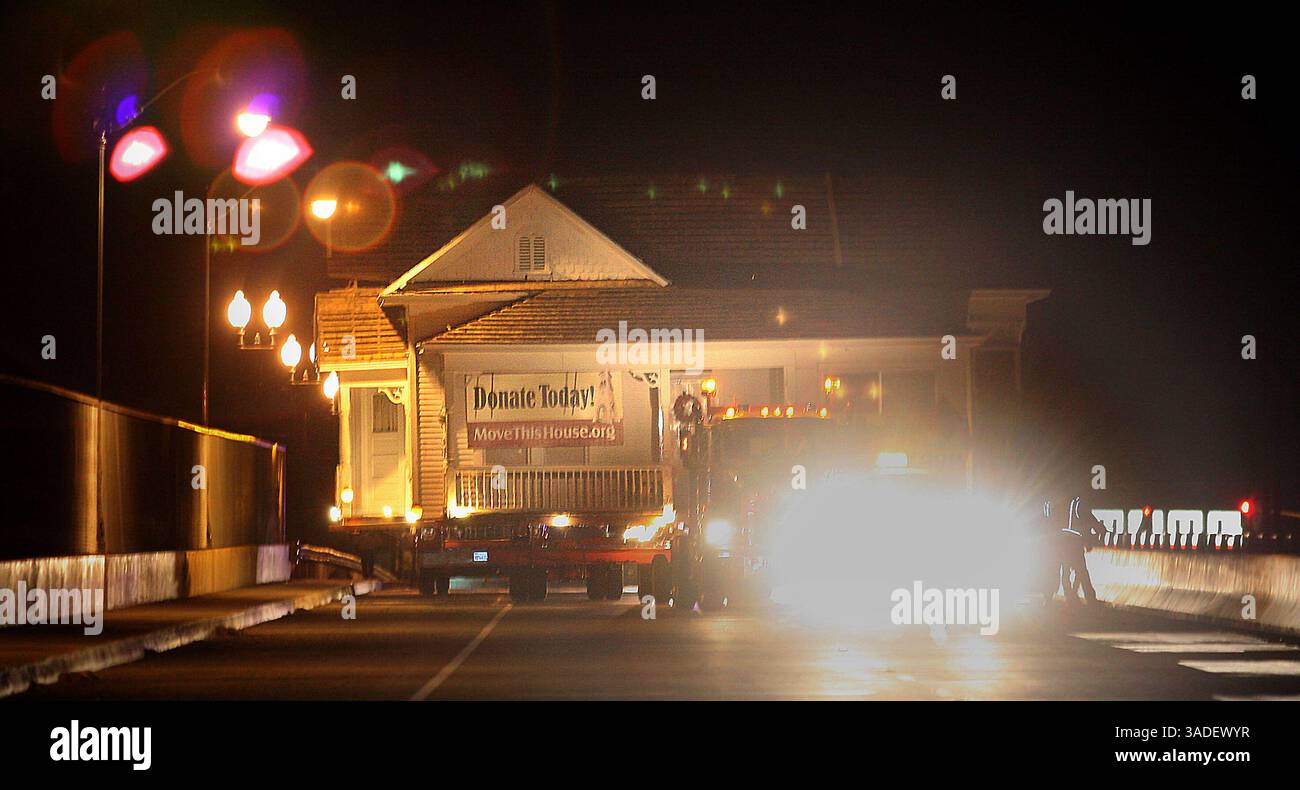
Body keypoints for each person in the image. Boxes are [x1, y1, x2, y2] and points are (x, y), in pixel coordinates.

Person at [1058, 495, 1097, 605]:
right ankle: (1089, 597)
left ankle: (1070, 596)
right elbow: (1088, 521)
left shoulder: (1064, 502)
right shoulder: (1079, 504)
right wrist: (1089, 539)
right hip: (1075, 542)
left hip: (1064, 541)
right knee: (1082, 571)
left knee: (1066, 571)